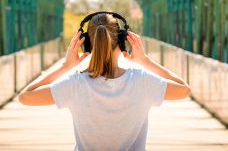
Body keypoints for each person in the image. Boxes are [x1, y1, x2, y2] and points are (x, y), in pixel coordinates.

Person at [18, 13, 191, 151]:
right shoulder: (142, 81)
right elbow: (184, 90)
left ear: (86, 45)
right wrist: (145, 61)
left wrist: (65, 66)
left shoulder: (75, 84)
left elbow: (25, 97)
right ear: (123, 42)